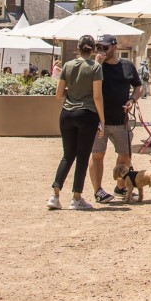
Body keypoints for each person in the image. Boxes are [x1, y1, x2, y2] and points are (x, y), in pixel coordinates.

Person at [47, 35, 105, 211]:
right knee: (82, 157)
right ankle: (76, 197)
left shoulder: (67, 65)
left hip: (67, 113)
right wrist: (102, 119)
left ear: (78, 48)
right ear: (93, 49)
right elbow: (97, 96)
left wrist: (73, 91)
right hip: (87, 114)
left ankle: (55, 195)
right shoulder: (95, 67)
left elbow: (58, 94)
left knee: (67, 155)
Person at [88, 36, 142, 205]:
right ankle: (98, 191)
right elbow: (86, 84)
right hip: (100, 120)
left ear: (114, 47)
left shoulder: (127, 65)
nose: (101, 50)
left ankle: (121, 187)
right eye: (99, 47)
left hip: (121, 120)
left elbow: (138, 86)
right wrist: (97, 65)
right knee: (97, 155)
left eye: (105, 47)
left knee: (125, 156)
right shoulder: (95, 66)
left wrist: (132, 100)